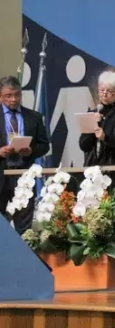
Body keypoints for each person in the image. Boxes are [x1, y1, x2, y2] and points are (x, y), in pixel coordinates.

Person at [0, 75, 50, 233]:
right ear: (0, 96)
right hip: (2, 173)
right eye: (8, 95)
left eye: (17, 95)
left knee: (24, 230)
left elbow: (44, 145)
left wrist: (31, 151)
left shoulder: (34, 117)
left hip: (24, 177)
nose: (13, 99)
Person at [79, 71, 115, 166]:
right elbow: (83, 145)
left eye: (109, 91)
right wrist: (93, 126)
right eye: (102, 90)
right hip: (92, 168)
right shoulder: (92, 114)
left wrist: (105, 138)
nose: (104, 94)